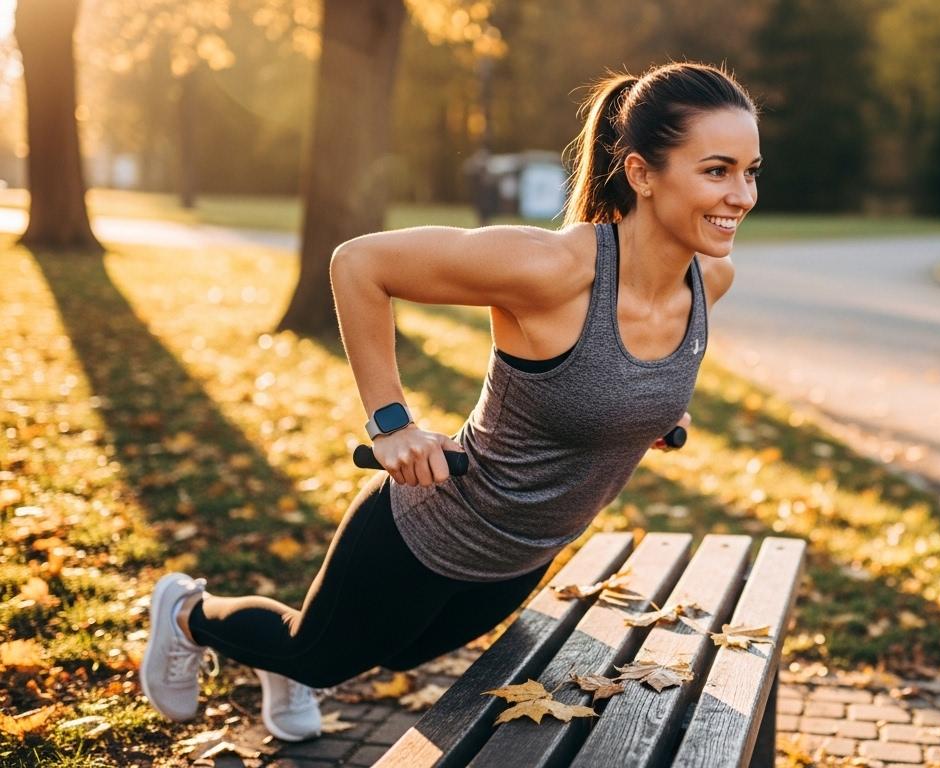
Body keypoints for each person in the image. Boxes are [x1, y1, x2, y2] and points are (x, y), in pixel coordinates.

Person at [138, 61, 761, 742]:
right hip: (434, 525)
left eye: (751, 172)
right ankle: (186, 612)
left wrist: (649, 415)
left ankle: (286, 661)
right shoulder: (550, 269)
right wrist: (391, 423)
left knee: (401, 655)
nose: (741, 195)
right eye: (717, 171)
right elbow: (359, 264)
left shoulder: (710, 280)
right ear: (641, 173)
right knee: (318, 656)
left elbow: (618, 380)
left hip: (527, 553)